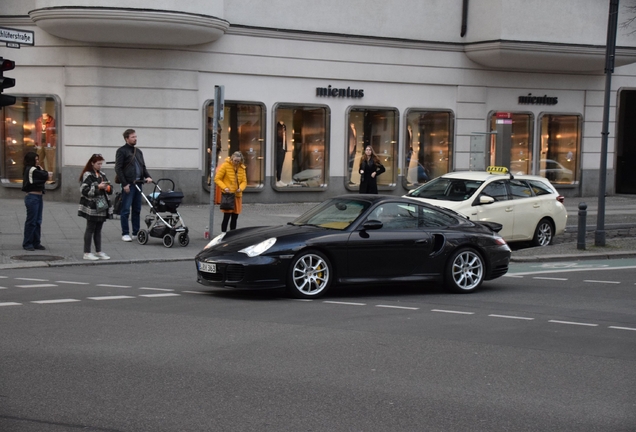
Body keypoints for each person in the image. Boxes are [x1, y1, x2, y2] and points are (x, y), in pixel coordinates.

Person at [114, 129, 152, 242]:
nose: (135, 139)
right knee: (125, 209)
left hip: (138, 184)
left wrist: (148, 176)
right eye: (132, 137)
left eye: (136, 137)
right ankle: (125, 233)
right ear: (127, 138)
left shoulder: (138, 152)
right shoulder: (122, 151)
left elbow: (143, 167)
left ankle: (136, 232)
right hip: (129, 184)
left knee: (137, 209)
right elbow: (118, 168)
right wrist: (124, 183)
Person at [78, 154, 113, 260]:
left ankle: (98, 251)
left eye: (101, 164)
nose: (100, 166)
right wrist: (98, 187)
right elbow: (84, 190)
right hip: (92, 205)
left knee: (98, 229)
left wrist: (107, 187)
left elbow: (111, 189)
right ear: (92, 163)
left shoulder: (102, 174)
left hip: (102, 204)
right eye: (98, 164)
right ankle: (87, 252)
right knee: (90, 228)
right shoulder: (88, 175)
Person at [21, 152, 49, 251]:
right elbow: (45, 175)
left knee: (37, 221)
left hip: (37, 197)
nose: (38, 161)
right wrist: (43, 172)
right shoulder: (31, 169)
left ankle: (36, 242)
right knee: (32, 221)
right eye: (36, 159)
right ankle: (28, 243)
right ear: (31, 160)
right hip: (32, 197)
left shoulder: (32, 169)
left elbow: (43, 177)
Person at [215, 151, 247, 232]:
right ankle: (223, 234)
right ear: (232, 158)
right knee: (226, 216)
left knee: (235, 217)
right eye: (235, 161)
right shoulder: (225, 166)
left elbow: (244, 181)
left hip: (237, 195)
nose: (236, 163)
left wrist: (241, 188)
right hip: (228, 195)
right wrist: (224, 187)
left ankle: (232, 234)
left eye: (238, 161)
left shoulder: (242, 168)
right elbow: (217, 179)